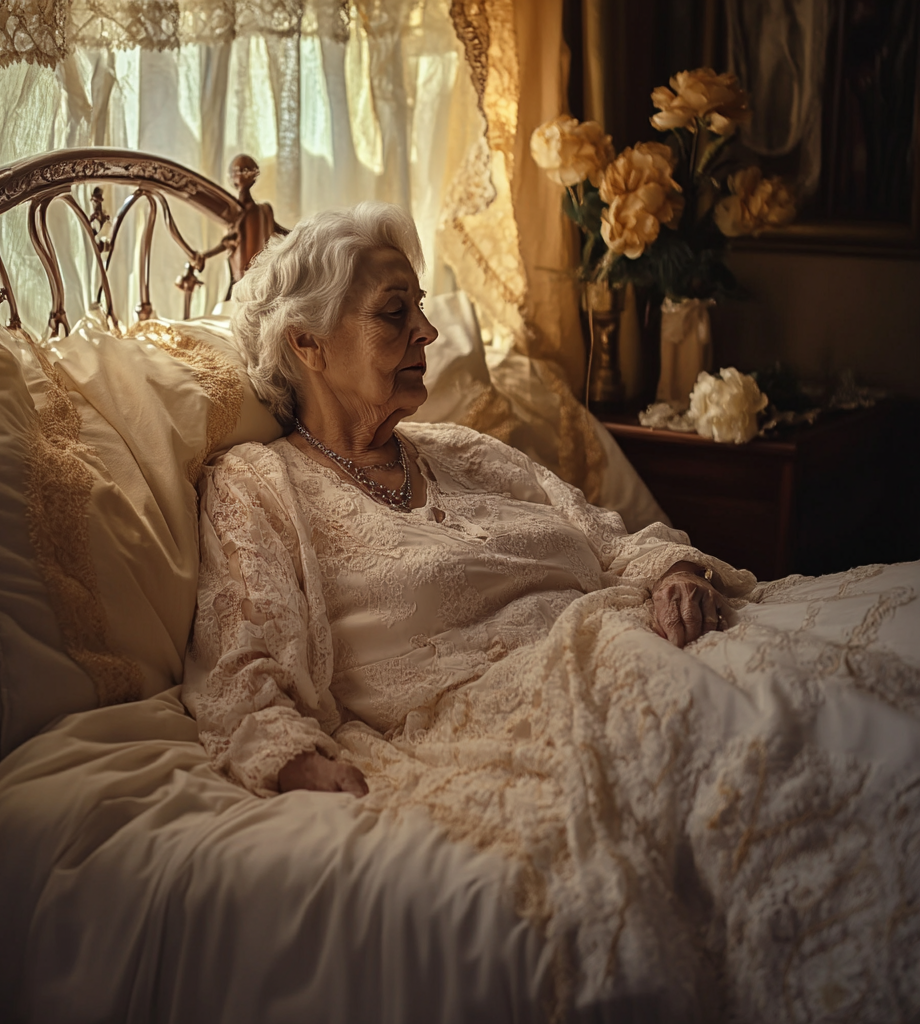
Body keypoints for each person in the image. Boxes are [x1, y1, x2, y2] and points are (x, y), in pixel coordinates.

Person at [182, 201, 748, 800]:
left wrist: (677, 575)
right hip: (531, 725)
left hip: (658, 647)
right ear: (308, 343)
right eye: (394, 313)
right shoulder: (257, 485)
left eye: (419, 308)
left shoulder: (463, 451)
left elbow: (617, 540)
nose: (425, 331)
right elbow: (244, 664)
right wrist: (296, 762)